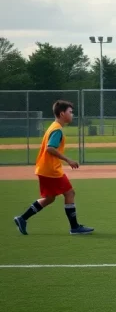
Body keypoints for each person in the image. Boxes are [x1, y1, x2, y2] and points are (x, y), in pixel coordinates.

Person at [13, 100, 94, 235]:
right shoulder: (57, 129)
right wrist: (68, 160)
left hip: (44, 168)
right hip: (51, 170)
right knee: (69, 193)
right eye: (70, 112)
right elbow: (50, 148)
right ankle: (74, 227)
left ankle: (22, 218)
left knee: (50, 198)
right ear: (62, 113)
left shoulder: (54, 126)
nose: (72, 114)